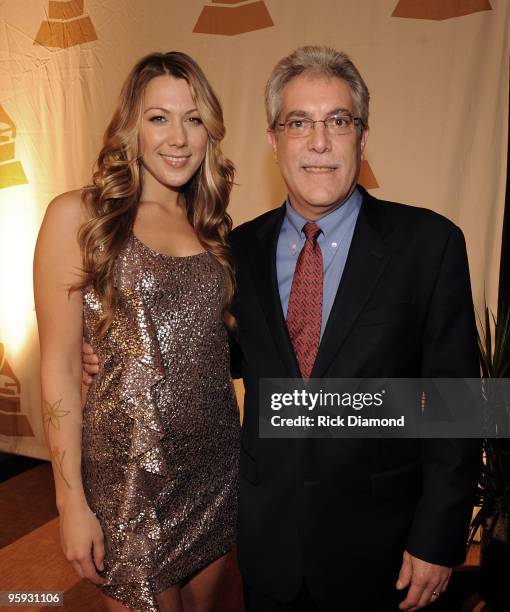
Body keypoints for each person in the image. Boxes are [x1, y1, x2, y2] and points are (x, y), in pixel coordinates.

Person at [84, 46, 481, 612]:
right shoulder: (234, 249)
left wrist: (439, 538)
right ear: (274, 141)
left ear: (362, 136)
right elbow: (205, 355)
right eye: (299, 122)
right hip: (267, 550)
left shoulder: (430, 244)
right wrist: (106, 351)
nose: (318, 142)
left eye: (337, 121)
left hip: (386, 555)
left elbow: (460, 403)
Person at [34, 51, 240, 612]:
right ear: (132, 126)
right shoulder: (80, 218)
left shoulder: (214, 230)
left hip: (216, 472)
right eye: (159, 117)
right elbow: (58, 367)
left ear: (209, 133)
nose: (178, 137)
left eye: (193, 119)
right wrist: (70, 502)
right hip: (128, 486)